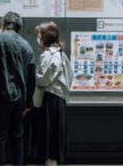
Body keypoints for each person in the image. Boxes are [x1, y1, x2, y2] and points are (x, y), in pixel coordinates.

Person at [0, 11, 36, 165]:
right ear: (19, 27)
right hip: (19, 101)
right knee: (17, 138)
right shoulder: (27, 45)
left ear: (2, 24)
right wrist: (28, 103)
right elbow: (32, 76)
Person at [30, 22, 73, 166]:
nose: (38, 39)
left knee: (48, 139)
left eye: (39, 36)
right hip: (58, 100)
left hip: (49, 101)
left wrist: (32, 75)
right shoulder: (61, 53)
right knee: (54, 139)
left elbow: (43, 80)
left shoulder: (49, 54)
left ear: (45, 37)